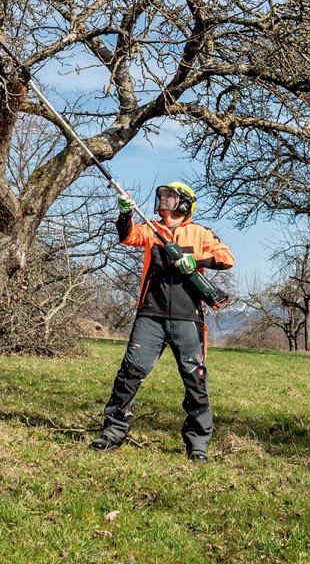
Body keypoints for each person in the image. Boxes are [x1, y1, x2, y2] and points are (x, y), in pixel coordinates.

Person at [90, 181, 234, 461]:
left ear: (184, 203)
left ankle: (197, 444)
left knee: (195, 381)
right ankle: (113, 432)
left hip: (187, 317)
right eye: (161, 195)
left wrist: (194, 260)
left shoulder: (200, 233)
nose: (163, 199)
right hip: (150, 314)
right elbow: (128, 236)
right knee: (129, 373)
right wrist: (125, 213)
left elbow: (226, 258)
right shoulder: (150, 229)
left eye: (169, 196)